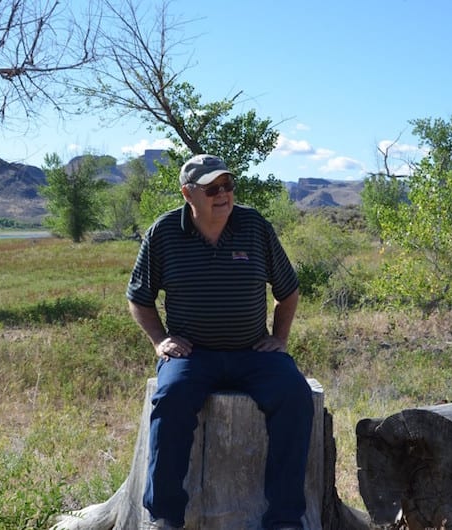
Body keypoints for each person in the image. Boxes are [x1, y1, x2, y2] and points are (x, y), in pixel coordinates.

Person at [126, 153, 314, 530]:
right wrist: (160, 341)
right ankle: (165, 516)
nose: (223, 194)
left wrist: (279, 338)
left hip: (253, 352)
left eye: (228, 185)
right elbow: (139, 298)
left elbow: (288, 291)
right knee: (170, 399)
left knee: (296, 395)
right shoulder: (164, 233)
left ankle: (284, 519)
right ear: (188, 194)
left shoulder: (254, 226)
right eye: (212, 188)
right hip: (193, 355)